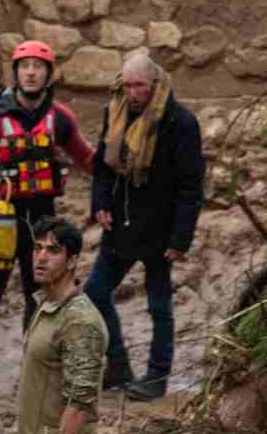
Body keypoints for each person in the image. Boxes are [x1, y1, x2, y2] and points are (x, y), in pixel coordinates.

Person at [0, 39, 97, 403]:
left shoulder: (60, 118)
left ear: (48, 74)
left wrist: (119, 178)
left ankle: (34, 369)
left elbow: (89, 159)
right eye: (24, 66)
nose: (30, 72)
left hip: (40, 222)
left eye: (37, 67)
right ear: (16, 72)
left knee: (37, 297)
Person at [87, 51, 205, 400]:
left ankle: (156, 377)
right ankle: (119, 365)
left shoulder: (180, 122)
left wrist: (181, 238)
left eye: (138, 86)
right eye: (126, 86)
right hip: (121, 224)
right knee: (94, 293)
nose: (132, 93)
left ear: (154, 84)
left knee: (159, 307)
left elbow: (191, 186)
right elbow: (102, 167)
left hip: (160, 228)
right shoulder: (115, 111)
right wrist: (100, 204)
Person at [15, 218, 107, 434]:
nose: (41, 257)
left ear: (72, 261)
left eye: (53, 250)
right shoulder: (46, 306)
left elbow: (80, 405)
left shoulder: (79, 320)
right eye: (37, 248)